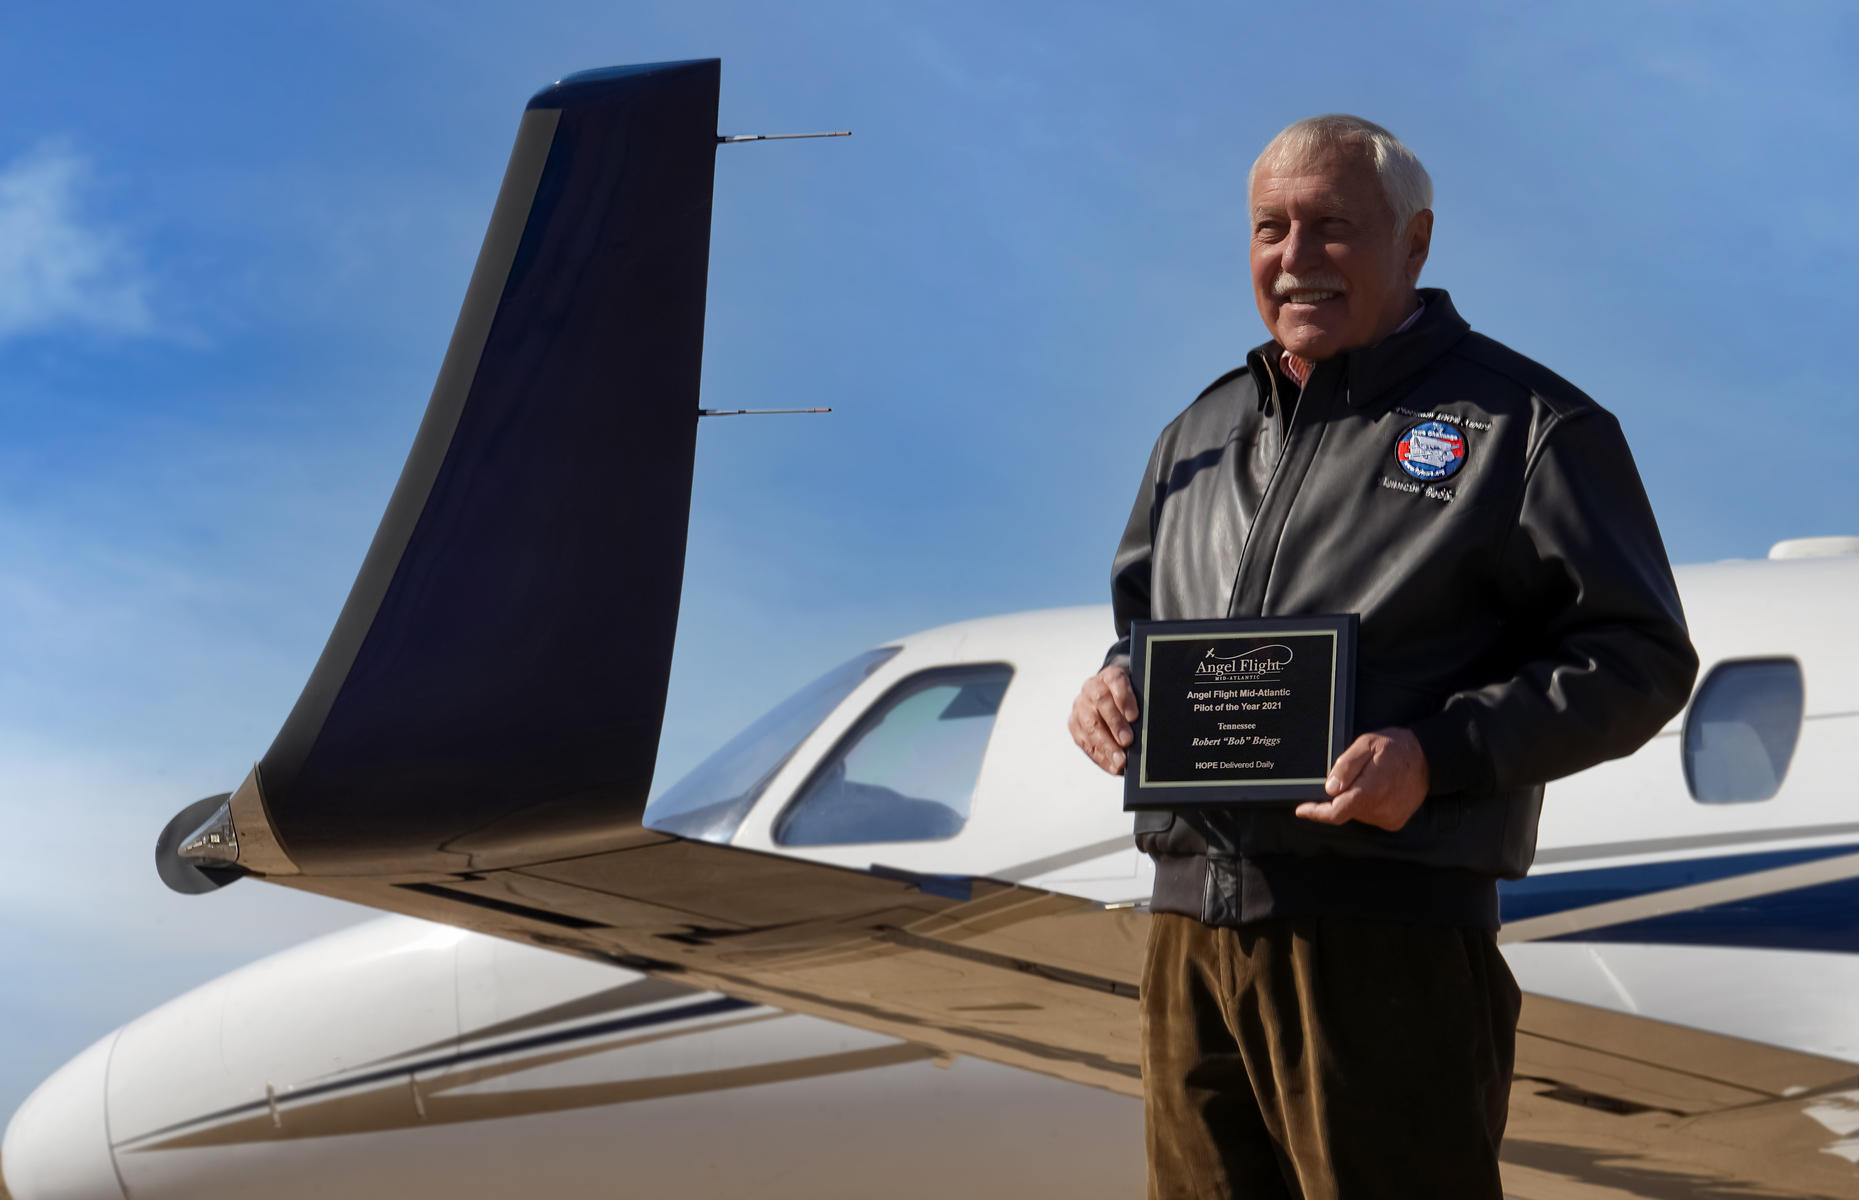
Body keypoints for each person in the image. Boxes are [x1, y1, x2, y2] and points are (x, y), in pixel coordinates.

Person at [1067, 115, 1698, 1199]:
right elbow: (1140, 621)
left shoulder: (1526, 424)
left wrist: (1434, 756)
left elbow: (1637, 656)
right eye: (1270, 229)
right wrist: (1112, 687)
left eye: (1331, 228)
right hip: (1185, 935)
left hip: (1383, 936)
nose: (1295, 257)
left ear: (1413, 242)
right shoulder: (1196, 435)